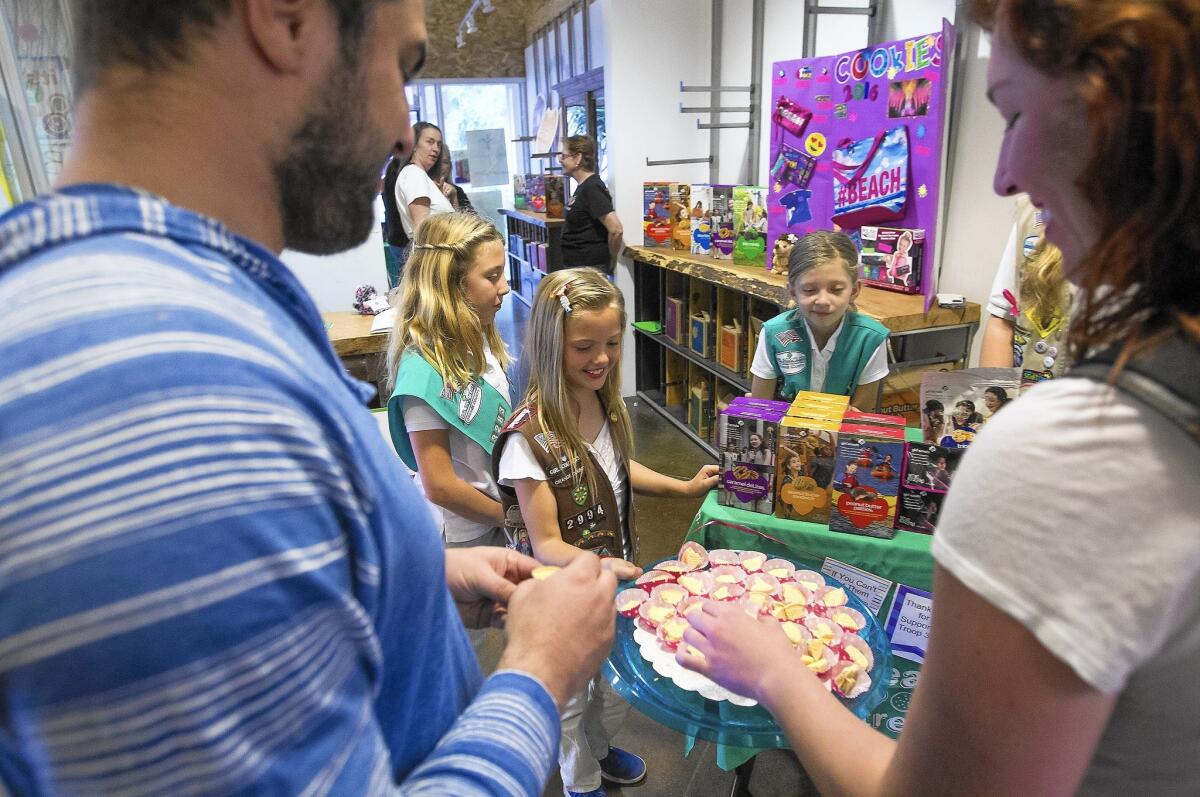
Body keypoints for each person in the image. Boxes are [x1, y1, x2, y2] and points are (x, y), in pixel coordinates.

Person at [0, 2, 618, 794]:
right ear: (287, 19)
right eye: (400, 67)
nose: (404, 130)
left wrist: (407, 581)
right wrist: (536, 674)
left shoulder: (180, 314)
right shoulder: (169, 396)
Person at [676, 2, 1200, 795]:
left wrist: (779, 671)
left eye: (1014, 112)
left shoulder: (1070, 457)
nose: (1002, 176)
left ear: (1113, 119)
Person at [493, 268, 720, 797]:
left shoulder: (603, 403)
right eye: (584, 347)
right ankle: (581, 780)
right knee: (570, 693)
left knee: (613, 684)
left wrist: (682, 488)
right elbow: (546, 542)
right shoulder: (530, 438)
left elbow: (616, 469)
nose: (601, 357)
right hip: (557, 591)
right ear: (552, 346)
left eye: (612, 344)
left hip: (612, 577)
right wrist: (603, 566)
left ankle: (598, 748)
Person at [385, 212, 510, 652]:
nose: (505, 287)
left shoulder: (479, 342)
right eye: (492, 276)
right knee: (467, 649)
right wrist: (510, 517)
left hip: (497, 517)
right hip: (462, 533)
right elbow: (439, 485)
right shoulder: (423, 371)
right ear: (453, 286)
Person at [749, 230, 890, 407]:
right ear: (793, 291)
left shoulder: (870, 339)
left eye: (836, 289)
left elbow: (859, 419)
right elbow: (759, 409)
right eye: (809, 289)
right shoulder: (773, 333)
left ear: (854, 291)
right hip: (782, 431)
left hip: (839, 433)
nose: (823, 301)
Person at [980, 194, 1074, 387]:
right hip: (1030, 399)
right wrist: (995, 405)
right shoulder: (1033, 215)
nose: (1002, 184)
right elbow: (1002, 320)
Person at [559, 135, 625, 275]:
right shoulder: (583, 187)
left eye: (564, 156)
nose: (560, 160)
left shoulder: (592, 187)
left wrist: (611, 260)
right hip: (578, 267)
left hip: (588, 269)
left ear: (577, 158)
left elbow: (616, 228)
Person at [394, 121, 456, 241]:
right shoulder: (414, 174)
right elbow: (423, 230)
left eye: (439, 144)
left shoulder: (419, 175)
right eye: (430, 142)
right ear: (414, 145)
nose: (436, 149)